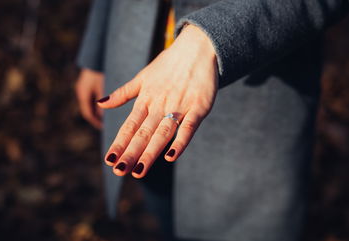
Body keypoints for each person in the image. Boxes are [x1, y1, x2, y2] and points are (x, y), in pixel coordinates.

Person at [75, 0, 349, 240]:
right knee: (163, 211)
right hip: (142, 78)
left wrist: (210, 37)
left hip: (251, 101)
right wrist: (97, 52)